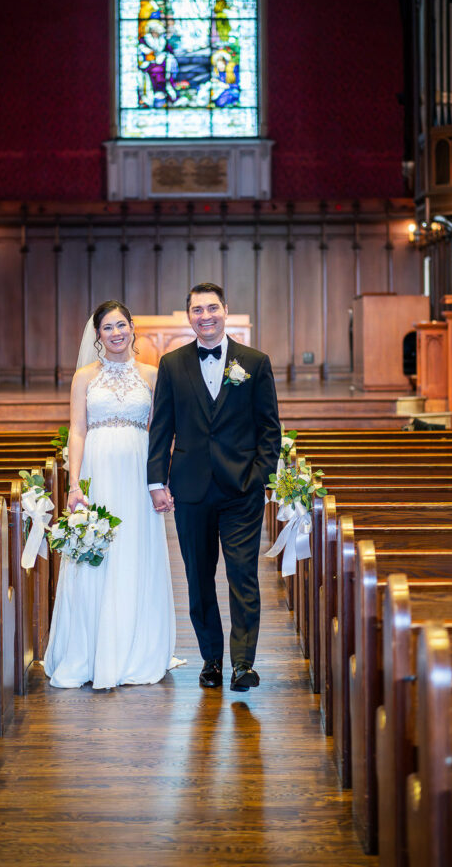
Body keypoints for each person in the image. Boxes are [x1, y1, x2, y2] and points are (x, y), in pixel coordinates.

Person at [147, 283, 280, 692]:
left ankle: (243, 664)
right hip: (191, 490)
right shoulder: (172, 364)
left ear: (226, 310)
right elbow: (162, 427)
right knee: (199, 579)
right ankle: (211, 660)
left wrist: (259, 476)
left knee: (243, 577)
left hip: (241, 490)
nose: (205, 316)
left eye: (212, 308)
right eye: (197, 309)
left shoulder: (255, 363)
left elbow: (269, 429)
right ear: (188, 316)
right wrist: (156, 480)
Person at [43, 300, 177, 689]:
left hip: (138, 475)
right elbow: (78, 430)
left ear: (133, 328)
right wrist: (74, 485)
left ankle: (137, 649)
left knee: (136, 551)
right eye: (107, 328)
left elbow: (160, 434)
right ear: (97, 335)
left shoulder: (152, 375)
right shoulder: (84, 376)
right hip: (98, 474)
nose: (116, 333)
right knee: (98, 556)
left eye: (122, 325)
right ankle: (91, 651)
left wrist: (161, 481)